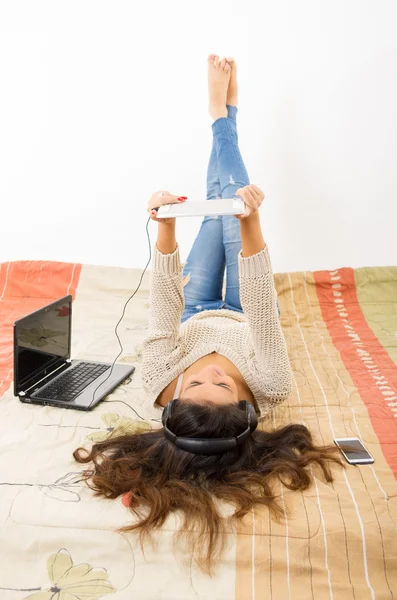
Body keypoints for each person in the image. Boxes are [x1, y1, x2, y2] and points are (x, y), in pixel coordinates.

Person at [74, 55, 344, 574]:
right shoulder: (272, 383)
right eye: (221, 386)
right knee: (232, 200)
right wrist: (252, 218)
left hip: (196, 306)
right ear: (246, 407)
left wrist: (165, 225)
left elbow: (163, 309)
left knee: (219, 196)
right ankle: (222, 116)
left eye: (194, 382)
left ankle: (224, 115)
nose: (210, 373)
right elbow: (262, 300)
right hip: (245, 307)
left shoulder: (156, 383)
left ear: (172, 399)